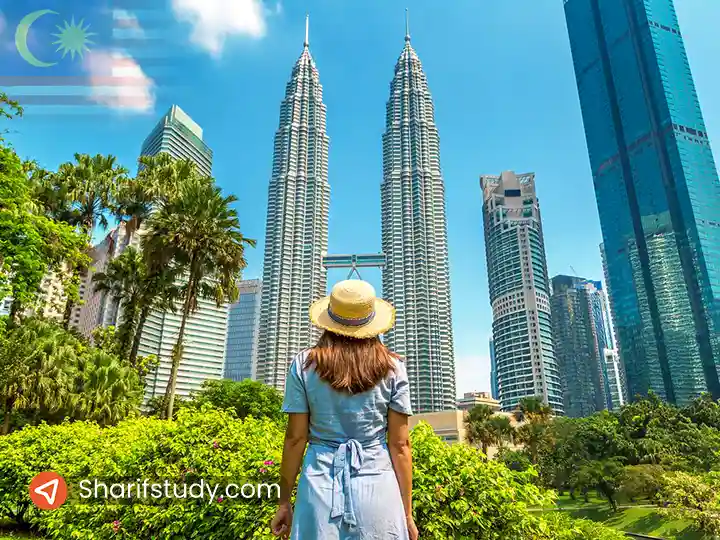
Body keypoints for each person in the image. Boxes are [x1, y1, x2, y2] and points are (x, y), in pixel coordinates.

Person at [270, 279, 418, 540]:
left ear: (329, 320)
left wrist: (284, 503)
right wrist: (406, 514)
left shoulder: (303, 365)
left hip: (319, 488)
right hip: (379, 490)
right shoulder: (394, 368)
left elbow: (295, 439)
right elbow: (400, 445)